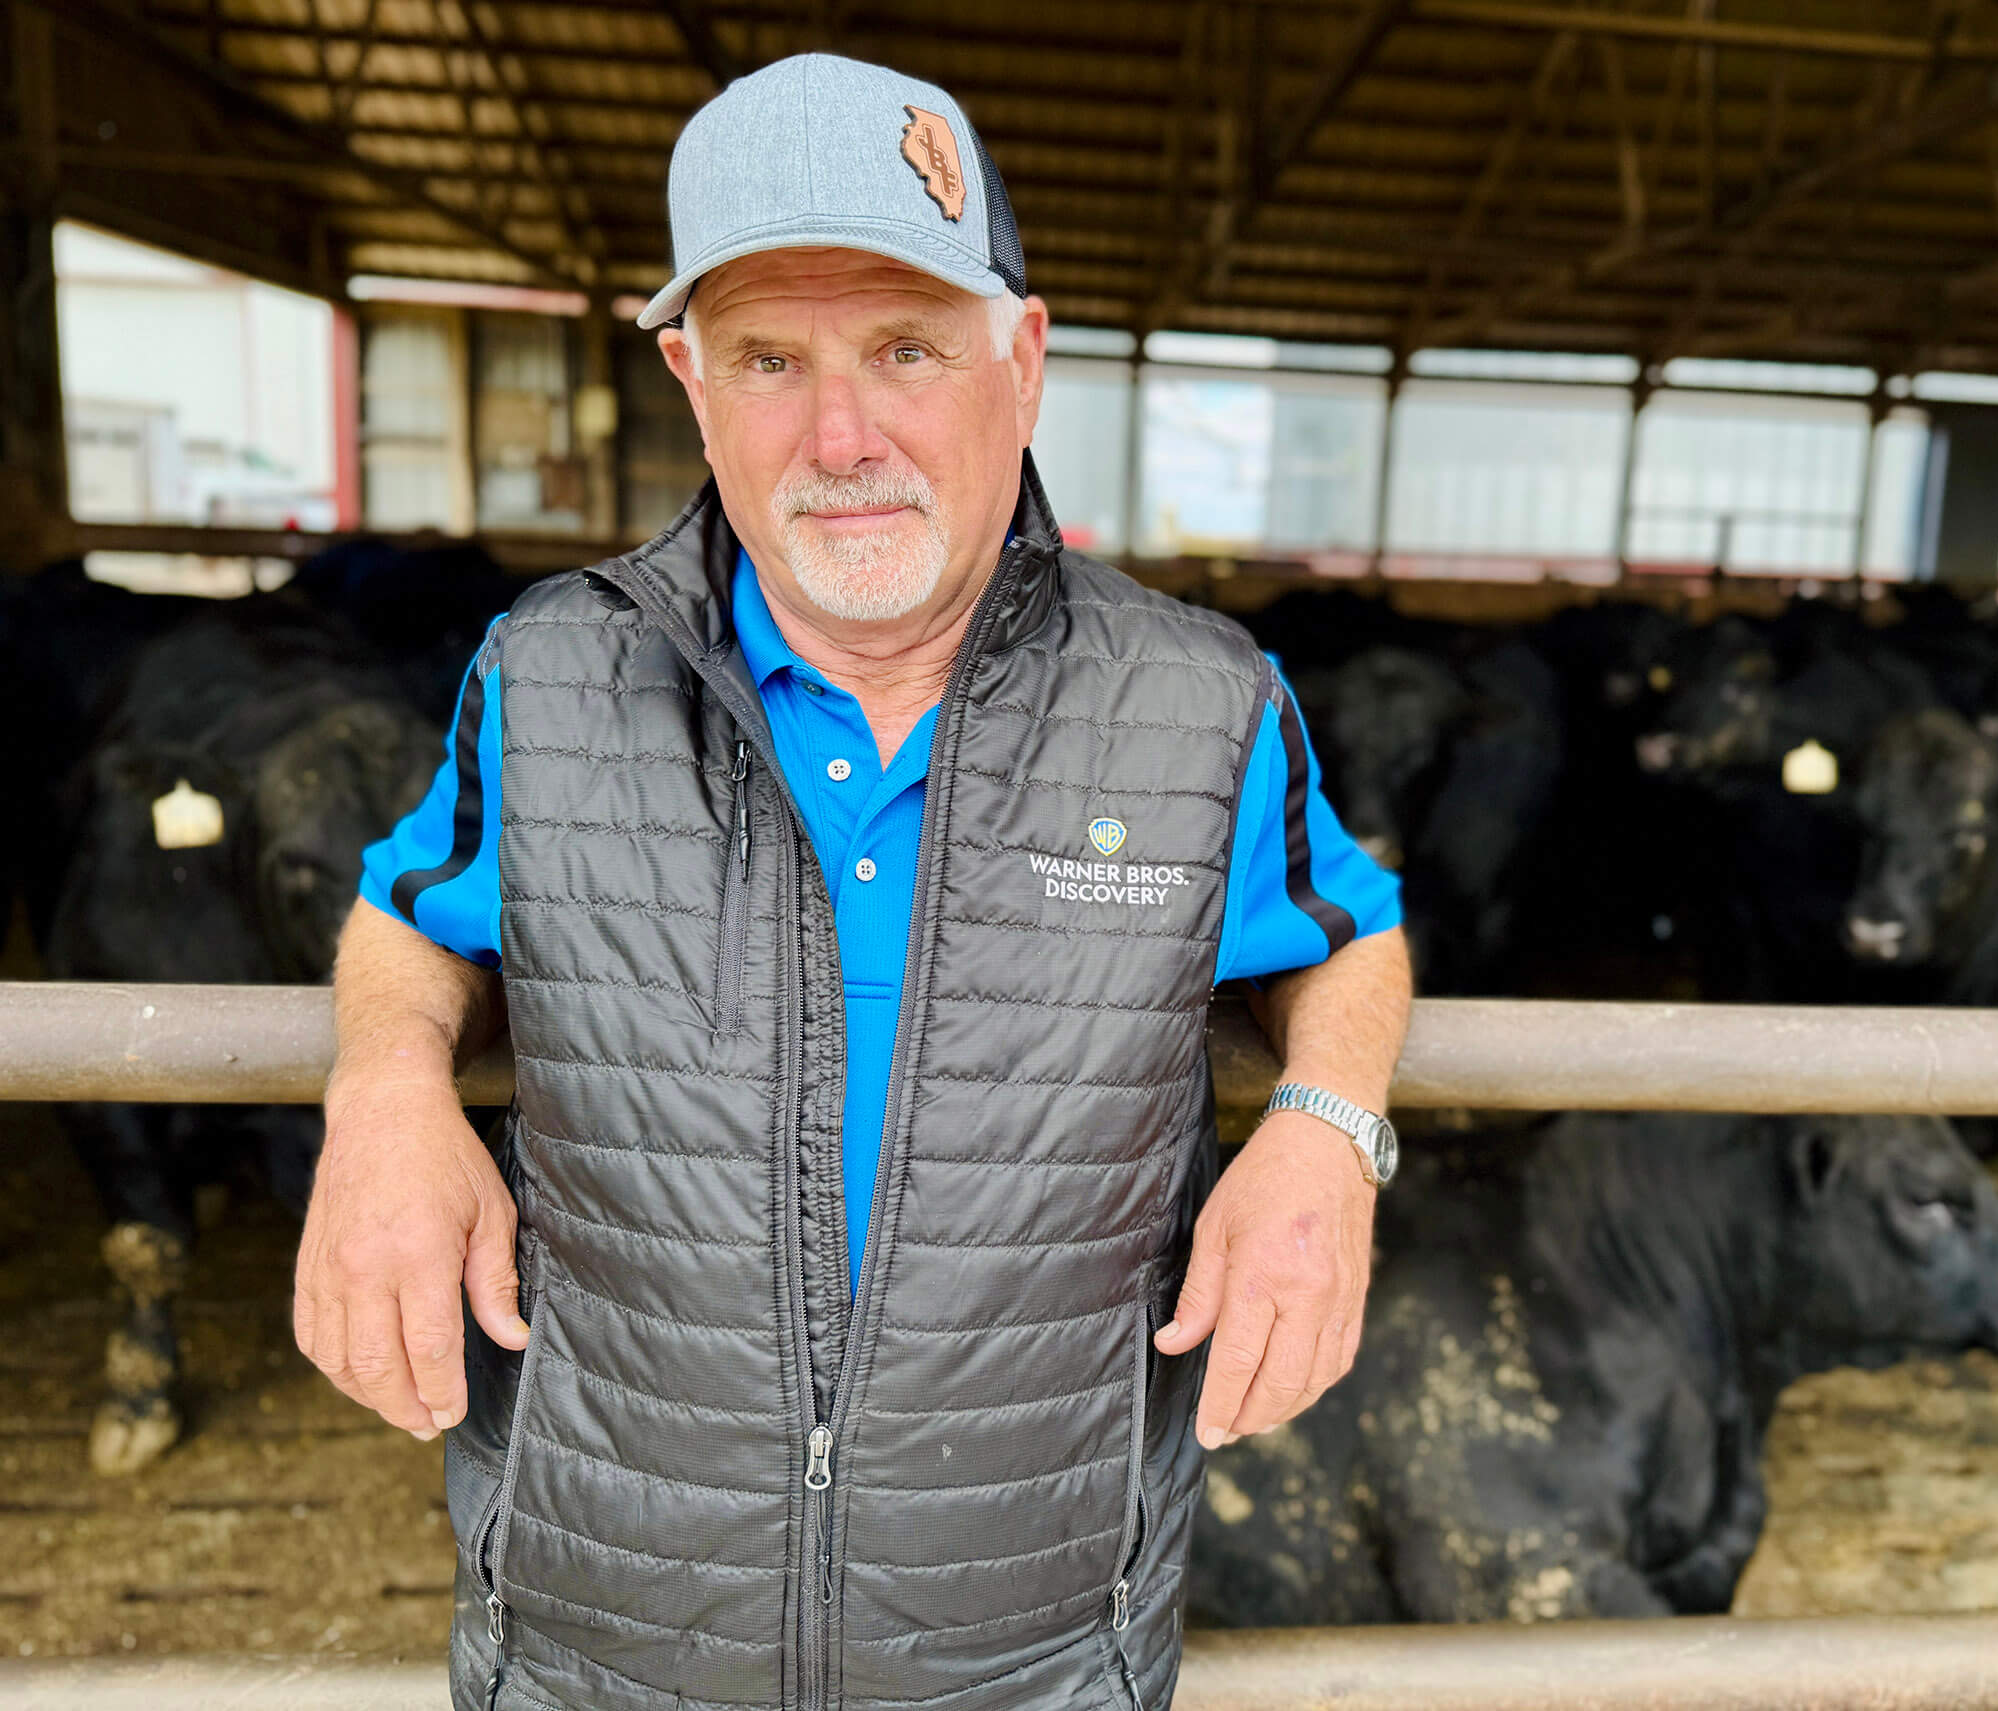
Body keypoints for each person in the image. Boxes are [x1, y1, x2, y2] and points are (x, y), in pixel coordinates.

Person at [292, 51, 1411, 1711]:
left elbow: (1347, 933)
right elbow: (407, 907)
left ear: (1018, 364)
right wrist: (385, 1091)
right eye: (767, 358)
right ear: (689, 377)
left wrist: (1327, 1133)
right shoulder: (548, 677)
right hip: (600, 1652)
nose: (842, 434)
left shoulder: (1201, 706)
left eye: (907, 347)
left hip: (1037, 1656)